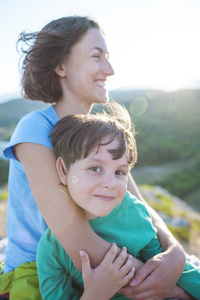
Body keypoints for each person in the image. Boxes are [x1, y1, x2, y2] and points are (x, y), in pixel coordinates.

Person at [0, 16, 187, 300]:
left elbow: (139, 205)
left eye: (108, 57)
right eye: (96, 57)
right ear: (61, 66)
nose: (109, 70)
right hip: (42, 275)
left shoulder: (100, 134)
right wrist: (175, 290)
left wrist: (175, 252)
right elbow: (79, 244)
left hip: (109, 267)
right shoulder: (34, 128)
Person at [37, 102, 199, 300]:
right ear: (63, 170)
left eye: (120, 172)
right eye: (95, 168)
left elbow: (168, 271)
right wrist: (96, 293)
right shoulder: (51, 249)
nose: (110, 183)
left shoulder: (133, 211)